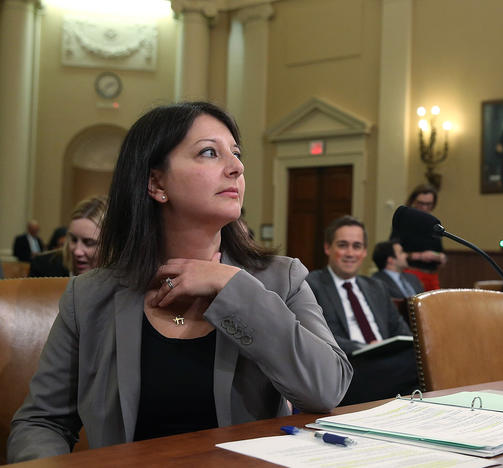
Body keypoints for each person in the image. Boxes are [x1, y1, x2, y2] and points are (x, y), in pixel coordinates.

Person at [8, 102, 352, 462]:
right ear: (156, 182)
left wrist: (232, 286)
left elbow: (326, 389)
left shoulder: (281, 278)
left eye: (235, 154)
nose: (237, 167)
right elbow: (42, 422)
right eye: (209, 153)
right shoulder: (89, 295)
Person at [307, 216, 418, 405]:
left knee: (424, 359)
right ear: (328, 248)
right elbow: (317, 336)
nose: (350, 253)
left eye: (356, 246)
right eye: (343, 245)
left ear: (364, 251)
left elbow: (401, 330)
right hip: (348, 367)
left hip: (387, 363)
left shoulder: (377, 287)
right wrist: (365, 349)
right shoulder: (311, 284)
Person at [29, 196, 107, 278]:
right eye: (73, 240)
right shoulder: (43, 267)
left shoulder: (119, 279)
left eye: (88, 243)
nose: (77, 252)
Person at [390, 184, 446, 291]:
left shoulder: (433, 224)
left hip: (432, 276)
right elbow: (394, 253)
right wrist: (420, 256)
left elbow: (440, 252)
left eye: (428, 204)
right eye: (421, 203)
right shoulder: (404, 222)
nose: (424, 208)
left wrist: (440, 257)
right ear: (413, 201)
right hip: (411, 275)